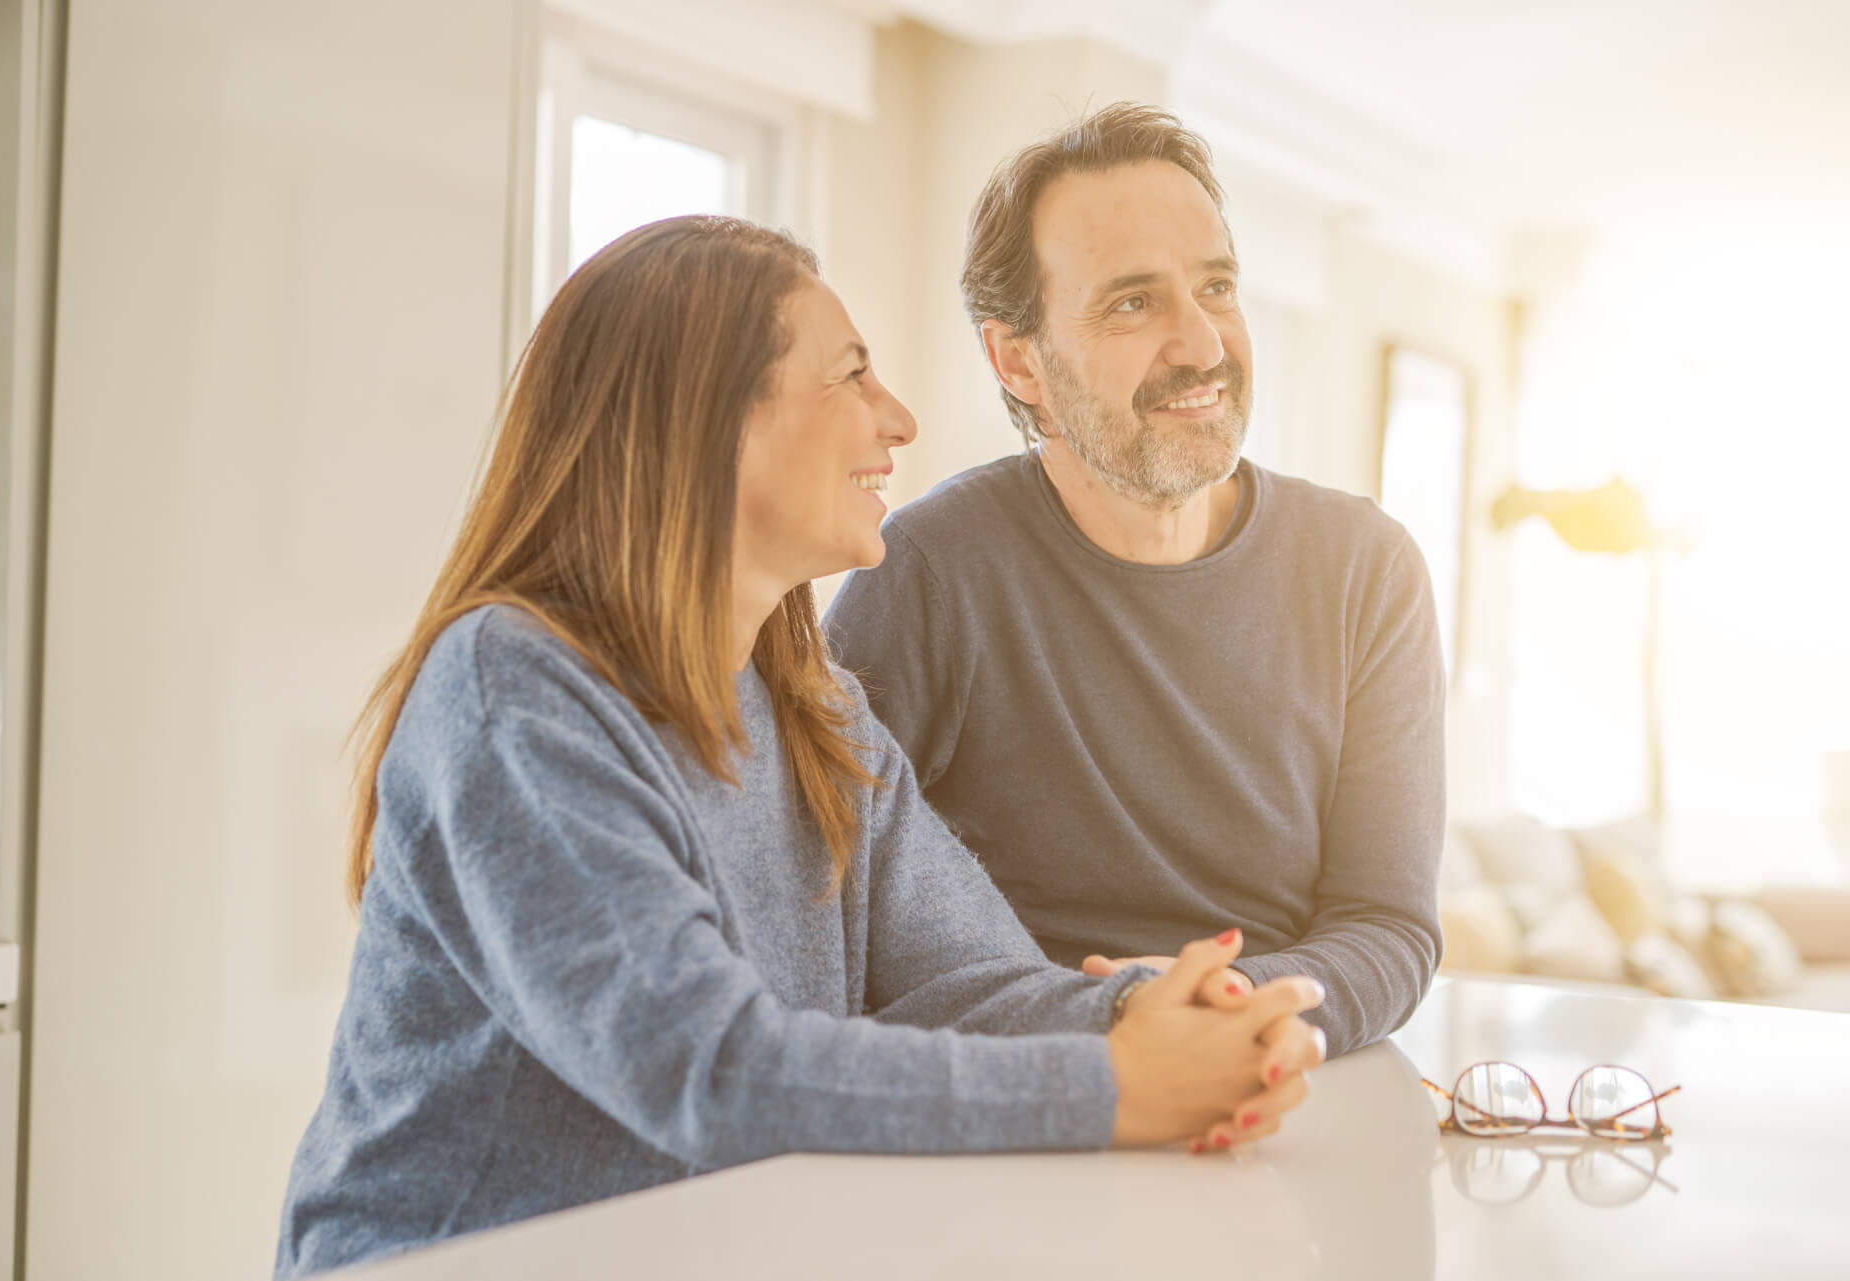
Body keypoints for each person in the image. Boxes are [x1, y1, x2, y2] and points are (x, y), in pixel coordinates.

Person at [274, 216, 1326, 1277]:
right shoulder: (515, 690)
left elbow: (968, 981)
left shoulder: (812, 702)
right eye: (853, 376)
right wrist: (1121, 1086)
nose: (899, 420)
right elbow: (705, 1067)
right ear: (706, 422)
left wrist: (1153, 1014)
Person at [824, 104, 1445, 1058]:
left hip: (1283, 1072)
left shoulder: (1367, 570)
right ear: (1017, 359)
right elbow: (831, 922)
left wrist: (1222, 1001)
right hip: (1029, 1093)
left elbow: (1390, 926)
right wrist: (1114, 1022)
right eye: (1132, 302)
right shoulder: (928, 573)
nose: (1202, 345)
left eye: (1217, 287)